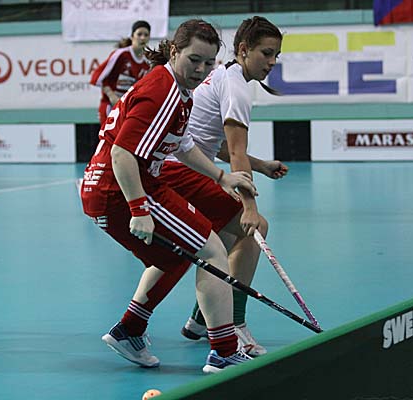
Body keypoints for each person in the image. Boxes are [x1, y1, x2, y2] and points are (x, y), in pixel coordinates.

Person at [80, 19, 256, 374]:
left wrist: (221, 176)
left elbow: (182, 144)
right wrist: (139, 209)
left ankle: (130, 330)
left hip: (121, 186)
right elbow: (122, 153)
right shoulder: (163, 90)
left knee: (177, 255)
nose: (201, 70)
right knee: (212, 250)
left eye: (208, 63)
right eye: (194, 60)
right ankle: (224, 351)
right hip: (119, 189)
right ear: (174, 51)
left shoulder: (178, 90)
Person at [158, 16, 287, 356]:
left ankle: (201, 320)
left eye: (276, 55)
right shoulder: (236, 86)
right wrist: (250, 208)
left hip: (177, 167)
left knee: (224, 238)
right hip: (177, 170)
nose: (272, 62)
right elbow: (235, 152)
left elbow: (213, 145)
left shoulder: (224, 75)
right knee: (253, 228)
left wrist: (262, 165)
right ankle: (234, 325)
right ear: (243, 49)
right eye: (266, 53)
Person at [90, 20, 151, 125]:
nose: (142, 38)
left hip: (130, 110)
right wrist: (112, 96)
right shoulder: (121, 55)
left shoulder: (147, 63)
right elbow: (97, 77)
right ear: (132, 36)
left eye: (146, 35)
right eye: (139, 34)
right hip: (111, 107)